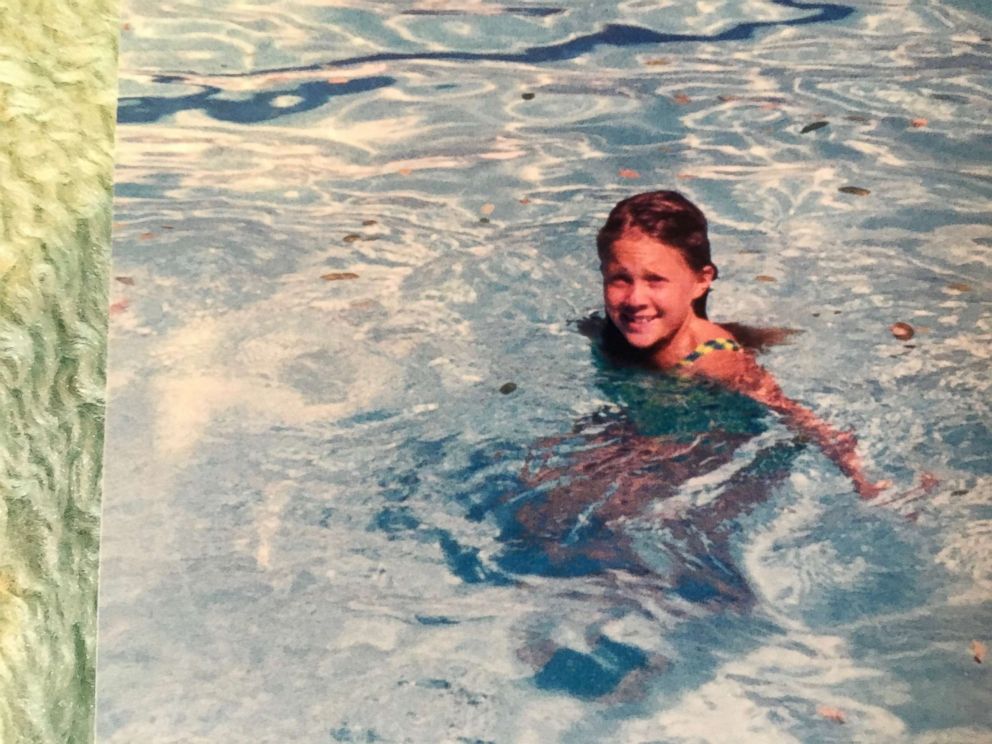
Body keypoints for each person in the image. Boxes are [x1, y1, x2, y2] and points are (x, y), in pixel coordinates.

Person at [592, 189, 888, 499]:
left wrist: (860, 478)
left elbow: (794, 414)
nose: (635, 299)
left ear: (701, 281)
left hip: (717, 446)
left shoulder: (713, 359)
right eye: (620, 279)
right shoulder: (608, 332)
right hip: (650, 429)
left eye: (655, 280)